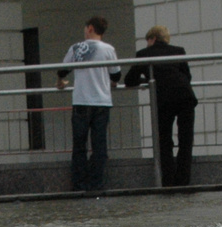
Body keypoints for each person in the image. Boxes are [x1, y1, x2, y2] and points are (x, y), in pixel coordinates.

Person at [123, 25, 197, 187]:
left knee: (164, 140)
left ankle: (168, 181)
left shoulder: (144, 54)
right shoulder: (179, 50)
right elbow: (187, 76)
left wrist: (147, 80)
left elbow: (129, 80)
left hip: (164, 100)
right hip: (185, 96)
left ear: (152, 38)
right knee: (186, 140)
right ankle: (184, 181)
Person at [56, 16, 121, 192]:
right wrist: (111, 82)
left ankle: (79, 185)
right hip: (102, 102)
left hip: (81, 101)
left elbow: (62, 70)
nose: (84, 31)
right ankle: (96, 185)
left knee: (79, 145)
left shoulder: (77, 48)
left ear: (90, 28)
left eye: (85, 28)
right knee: (99, 146)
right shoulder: (108, 49)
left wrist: (61, 81)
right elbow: (116, 75)